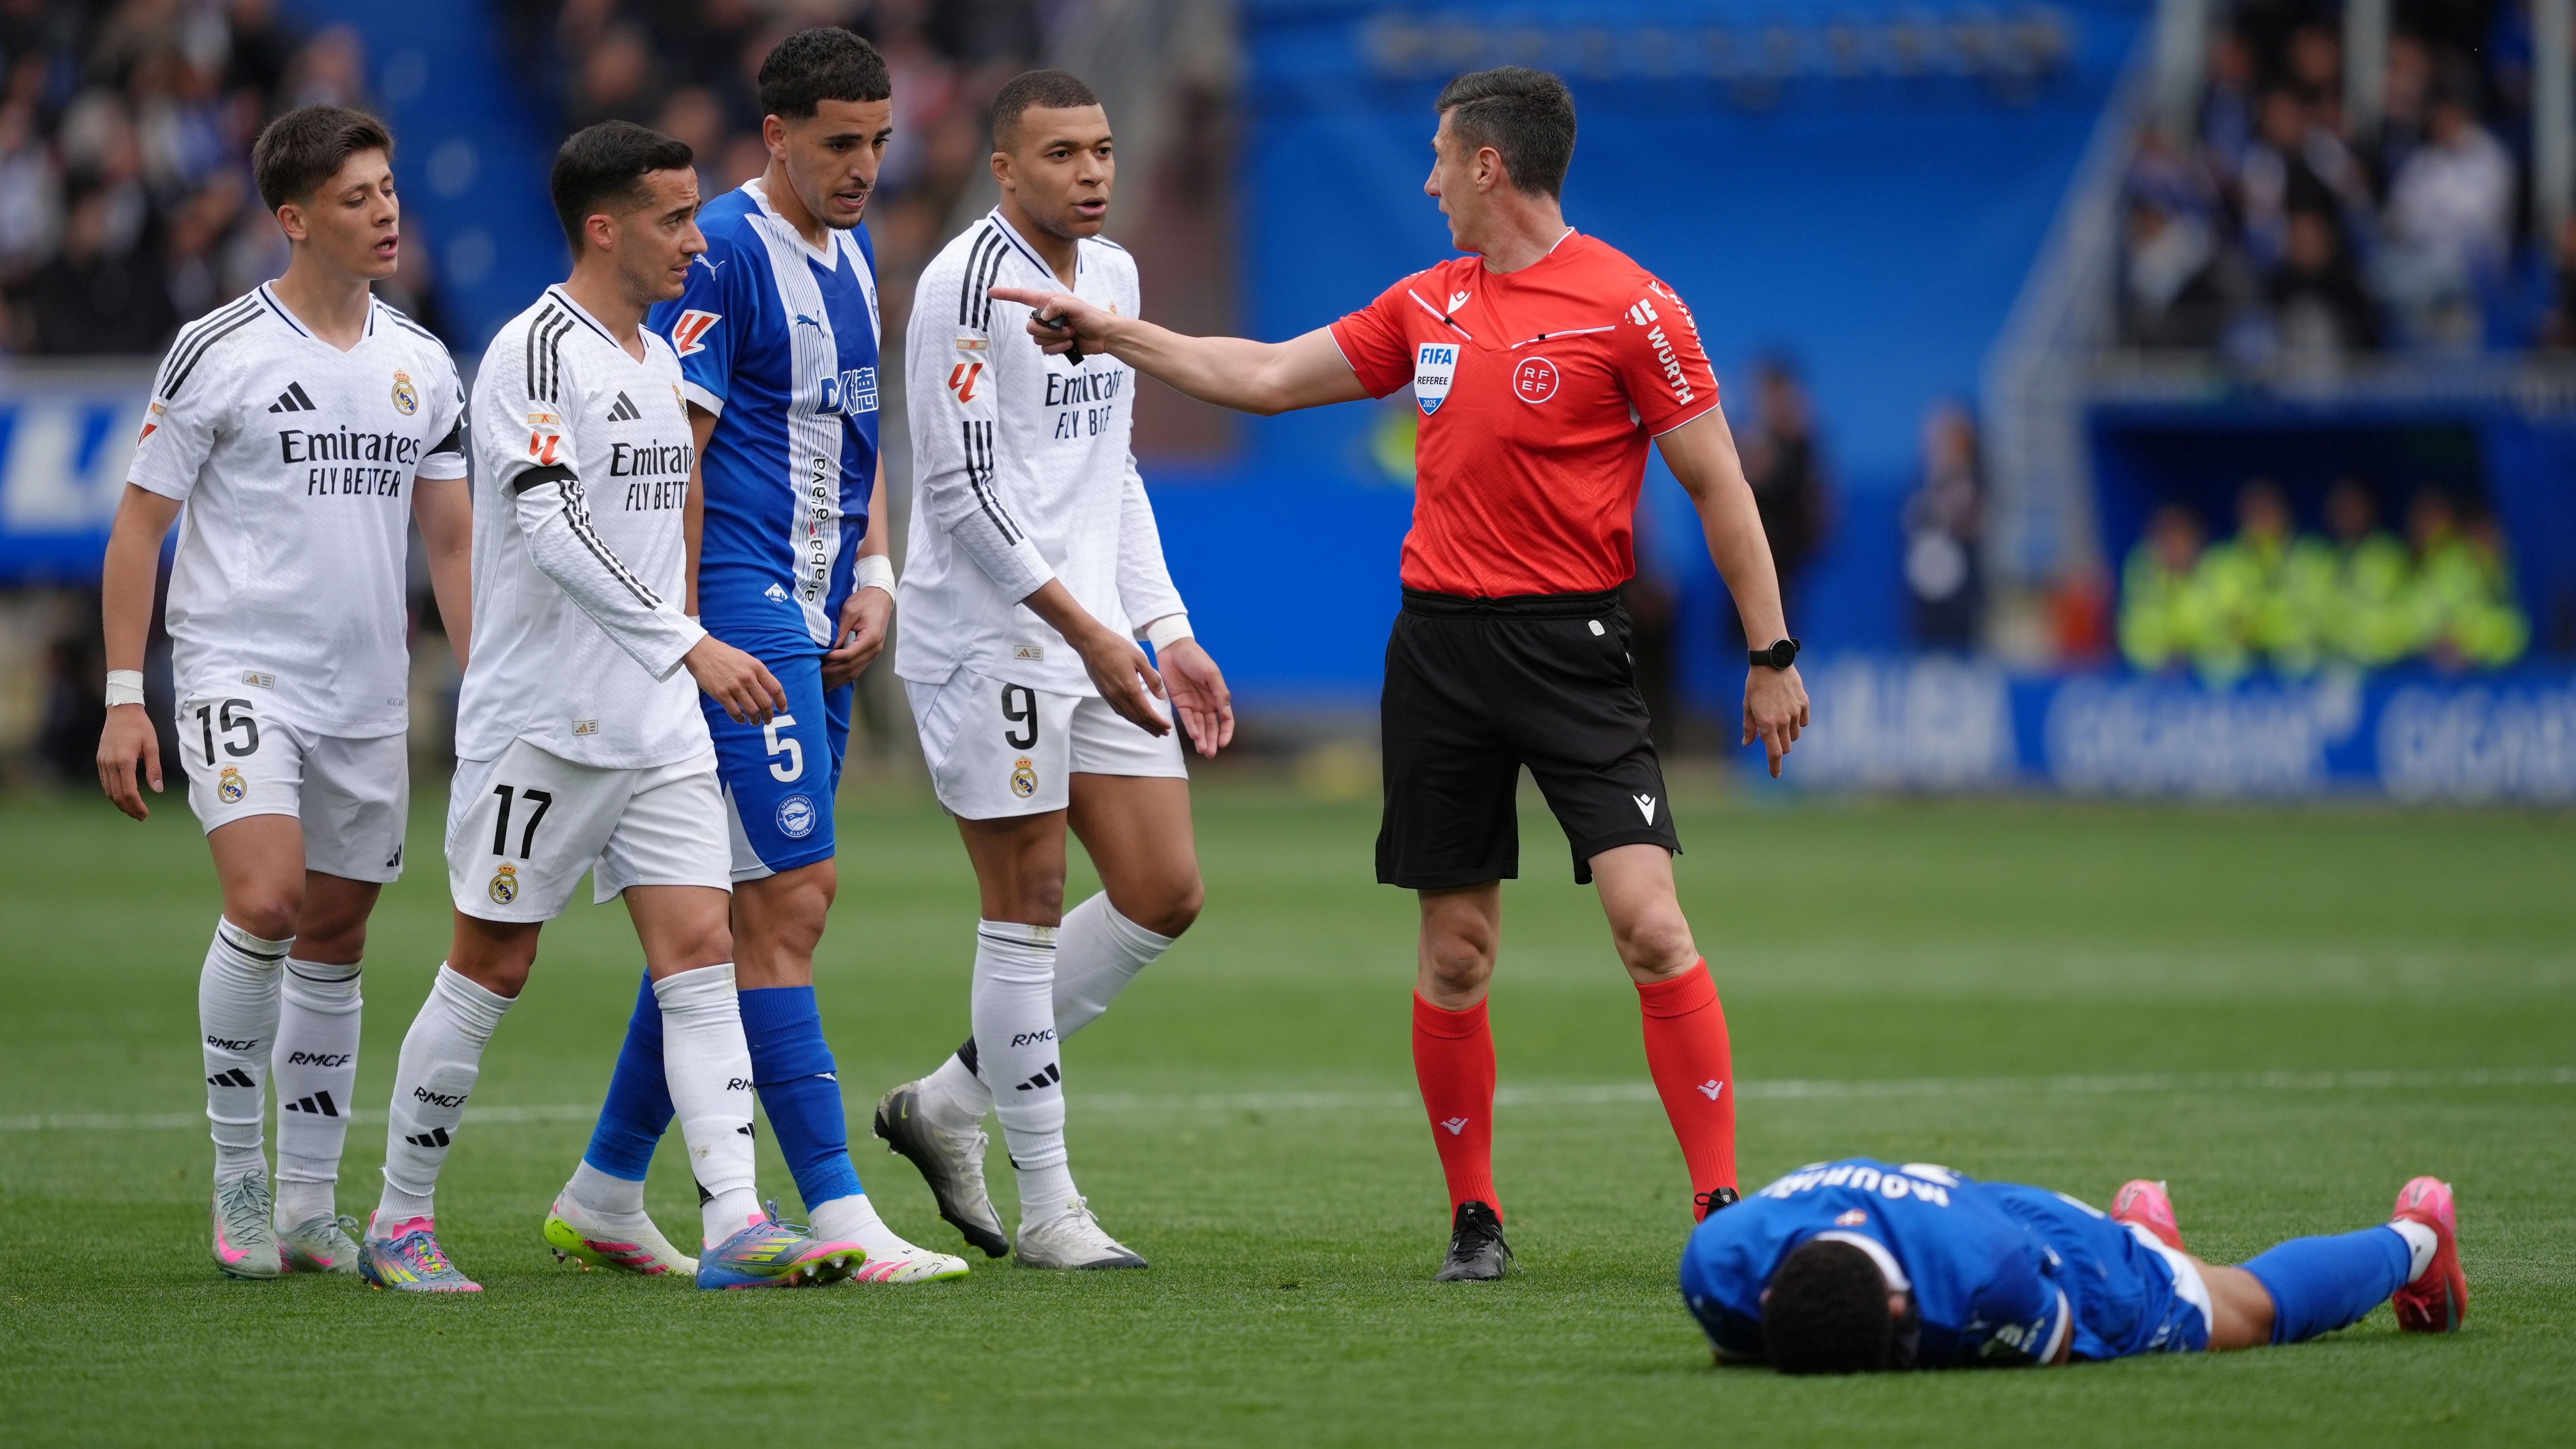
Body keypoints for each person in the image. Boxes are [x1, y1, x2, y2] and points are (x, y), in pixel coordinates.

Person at [990, 65, 1809, 1280]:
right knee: (1457, 953)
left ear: (1490, 165)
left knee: (1649, 926)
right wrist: (1117, 337)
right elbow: (1266, 376)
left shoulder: (1632, 307)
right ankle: (1473, 1218)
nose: (1425, 180)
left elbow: (1719, 484)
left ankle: (1717, 1202)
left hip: (1577, 654)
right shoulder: (1428, 302)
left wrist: (1770, 652)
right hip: (1438, 654)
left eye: (1438, 158)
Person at [361, 121, 860, 1294]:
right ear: (605, 227)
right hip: (543, 724)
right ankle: (399, 1220)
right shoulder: (537, 354)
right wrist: (693, 642)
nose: (698, 240)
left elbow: (660, 522)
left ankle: (735, 1221)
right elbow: (547, 523)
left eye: (695, 215)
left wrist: (678, 655)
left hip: (656, 728)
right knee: (492, 963)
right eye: (675, 219)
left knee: (700, 952)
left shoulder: (654, 356)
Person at [557, 28, 967, 1285]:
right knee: (790, 903)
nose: (864, 167)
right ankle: (835, 1206)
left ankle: (607, 1186)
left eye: (880, 143)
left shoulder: (852, 258)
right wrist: (692, 636)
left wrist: (881, 573)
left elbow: (859, 441)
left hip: (827, 609)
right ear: (776, 135)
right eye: (840, 143)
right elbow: (670, 455)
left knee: (737, 907)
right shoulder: (723, 252)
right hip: (745, 607)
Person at [94, 106, 472, 1282]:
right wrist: (122, 694)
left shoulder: (422, 360)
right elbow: (141, 523)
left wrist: (487, 685)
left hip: (369, 687)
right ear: (296, 218)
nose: (388, 211)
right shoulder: (220, 347)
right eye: (358, 196)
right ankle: (240, 1178)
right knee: (266, 898)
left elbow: (453, 547)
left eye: (391, 189)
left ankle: (313, 1202)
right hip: (239, 668)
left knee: (337, 932)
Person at [868, 69, 1230, 1271]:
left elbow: (1112, 468)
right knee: (1021, 908)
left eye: (1104, 150)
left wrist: (1166, 628)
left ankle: (946, 1106)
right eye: (1063, 154)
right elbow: (961, 494)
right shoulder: (963, 289)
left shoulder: (1114, 276)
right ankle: (1050, 1210)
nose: (1091, 173)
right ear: (1005, 168)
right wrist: (1086, 627)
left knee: (1162, 888)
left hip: (1099, 630)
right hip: (994, 636)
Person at [1679, 1159, 2465, 1372]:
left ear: (1896, 1311)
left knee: (2240, 1314)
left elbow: (2064, 1343)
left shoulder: (1992, 1286)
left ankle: (2415, 1239)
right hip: (1939, 1214)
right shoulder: (1718, 1261)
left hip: (2050, 1249)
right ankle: (2147, 1239)